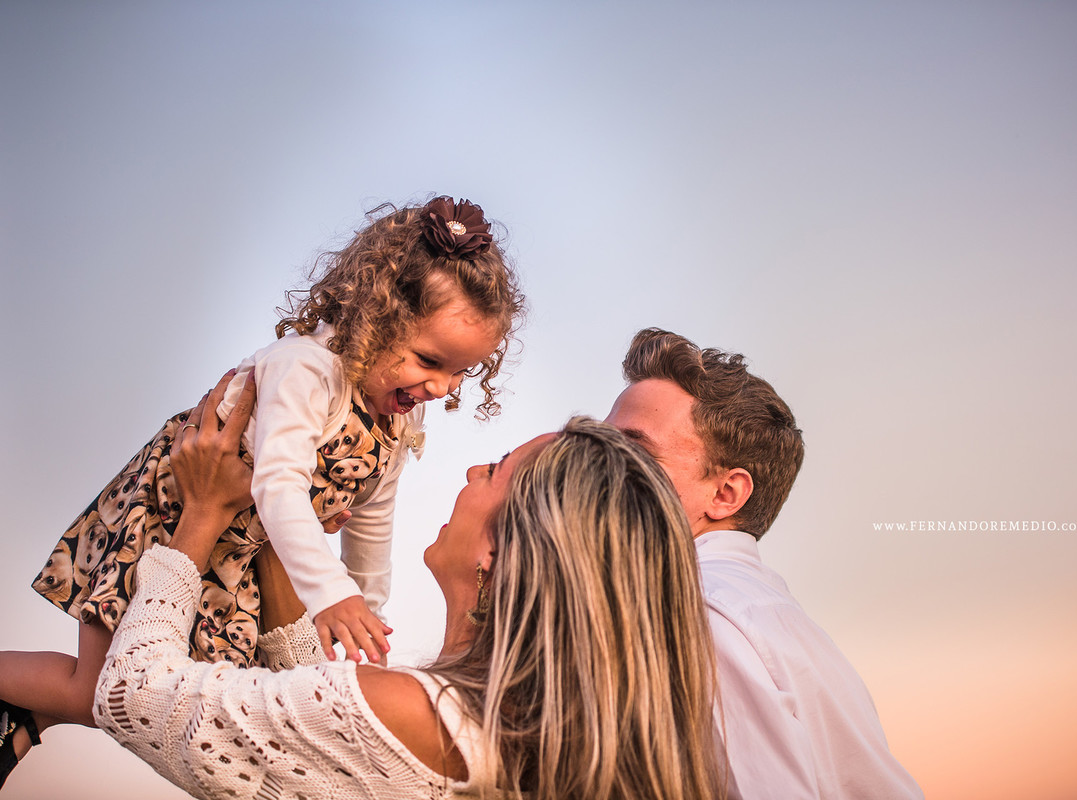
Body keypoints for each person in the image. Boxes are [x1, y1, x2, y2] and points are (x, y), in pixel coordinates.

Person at [0, 196, 523, 787]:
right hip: (171, 520)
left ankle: (19, 717)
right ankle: (17, 702)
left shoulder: (399, 421)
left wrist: (365, 618)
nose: (441, 386)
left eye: (461, 373)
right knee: (97, 691)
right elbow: (277, 484)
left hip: (239, 554)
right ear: (377, 316)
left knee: (186, 696)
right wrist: (330, 596)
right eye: (430, 360)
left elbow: (373, 524)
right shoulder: (307, 370)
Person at [93, 373, 721, 798]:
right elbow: (317, 735)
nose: (474, 469)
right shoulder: (528, 742)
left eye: (496, 470)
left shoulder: (419, 716)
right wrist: (280, 539)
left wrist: (201, 514)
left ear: (499, 554)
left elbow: (133, 696)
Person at [604, 328, 923, 799]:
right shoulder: (762, 610)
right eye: (597, 441)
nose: (588, 462)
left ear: (725, 494)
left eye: (631, 450)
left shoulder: (700, 616)